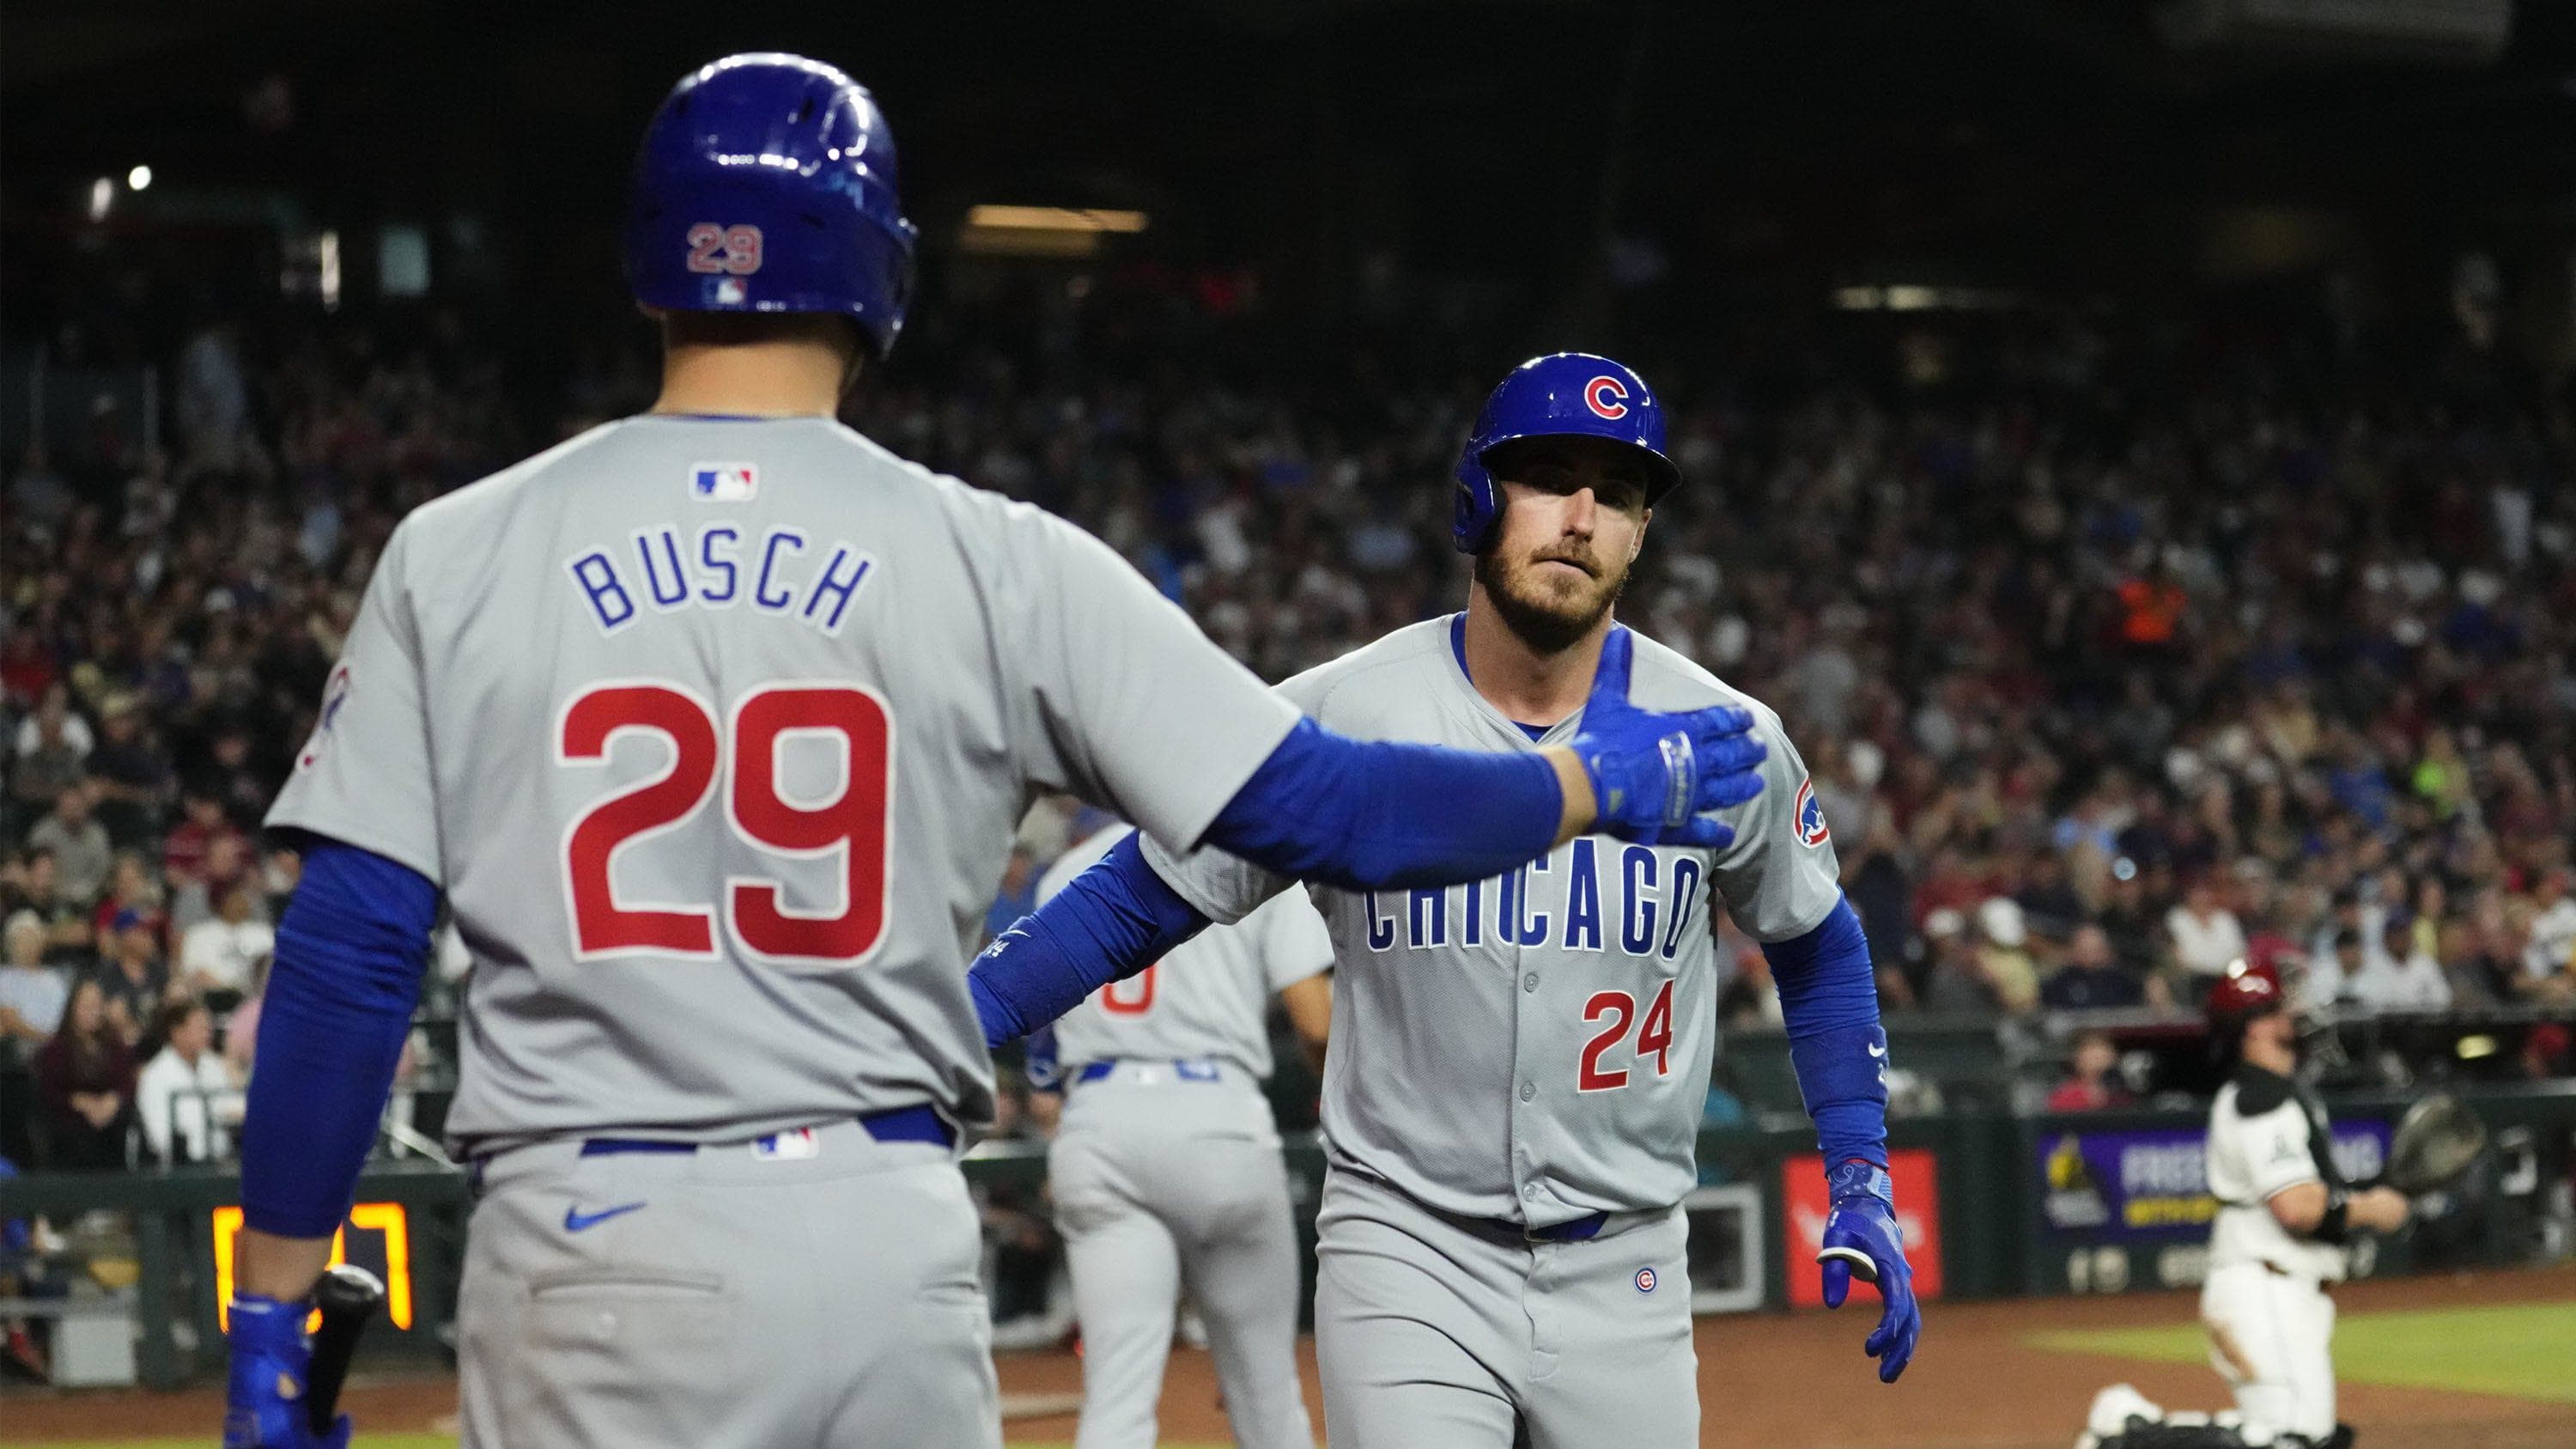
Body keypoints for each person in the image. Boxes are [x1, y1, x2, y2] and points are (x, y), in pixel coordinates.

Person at [218, 52, 1765, 1449]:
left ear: (644, 263)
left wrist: (275, 1328)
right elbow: (1337, 807)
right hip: (878, 1229)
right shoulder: (991, 555)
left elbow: (352, 957)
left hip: (588, 1228)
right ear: (883, 272)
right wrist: (1587, 779)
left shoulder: (459, 549)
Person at [973, 352, 1919, 1448]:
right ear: (1477, 494)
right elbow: (1136, 899)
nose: (1579, 516)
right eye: (1548, 477)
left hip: (1632, 1260)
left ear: (1641, 533)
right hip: (1405, 1245)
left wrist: (1860, 1170)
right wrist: (955, 1024)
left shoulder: (1724, 736)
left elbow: (1819, 946)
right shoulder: (1344, 710)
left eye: (1615, 494)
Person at [1028, 819, 1333, 1449]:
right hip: (1214, 1112)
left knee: (1116, 1398)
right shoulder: (1254, 848)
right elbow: (1316, 1020)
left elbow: (1040, 1053)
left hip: (1101, 1114)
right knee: (1267, 1397)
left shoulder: (1066, 868)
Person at [2193, 961, 2408, 1448]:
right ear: (2255, 1028)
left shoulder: (2271, 1094)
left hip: (2274, 1291)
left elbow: (2314, 1197)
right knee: (2294, 1438)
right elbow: (2296, 1208)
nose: (2296, 1015)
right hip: (2265, 1288)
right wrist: (2373, 1208)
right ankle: (2130, 1433)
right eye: (2280, 1008)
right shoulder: (2262, 1099)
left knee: (2297, 1434)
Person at [33, 978, 134, 1171]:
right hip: (69, 1129)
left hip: (110, 1128)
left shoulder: (115, 1046)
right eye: (86, 1006)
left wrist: (113, 1100)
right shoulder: (56, 1049)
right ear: (72, 1008)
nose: (93, 1012)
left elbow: (126, 1083)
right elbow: (48, 1090)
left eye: (97, 1006)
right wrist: (79, 1102)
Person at [136, 997, 242, 1164]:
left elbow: (234, 1108)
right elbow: (159, 1137)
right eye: (200, 1028)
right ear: (177, 1032)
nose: (207, 1033)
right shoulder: (155, 1074)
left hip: (222, 1160)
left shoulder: (213, 1064)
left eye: (208, 1027)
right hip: (181, 1168)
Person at [179, 875, 275, 1000]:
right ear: (220, 902)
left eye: (244, 897)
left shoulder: (266, 933)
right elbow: (193, 973)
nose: (241, 902)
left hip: (257, 999)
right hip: (214, 999)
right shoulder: (198, 934)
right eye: (235, 897)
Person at [0, 910, 70, 1056]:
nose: (28, 946)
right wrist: (48, 1040)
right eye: (22, 940)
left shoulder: (55, 979)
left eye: (33, 939)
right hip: (21, 1048)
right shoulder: (4, 977)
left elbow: (66, 1017)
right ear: (11, 944)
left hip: (57, 1047)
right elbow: (9, 1020)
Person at [2045, 1031, 2132, 1112]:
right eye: (2092, 1056)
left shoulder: (2123, 1093)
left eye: (2102, 1055)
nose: (2098, 1061)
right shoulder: (2065, 1096)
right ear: (2077, 1060)